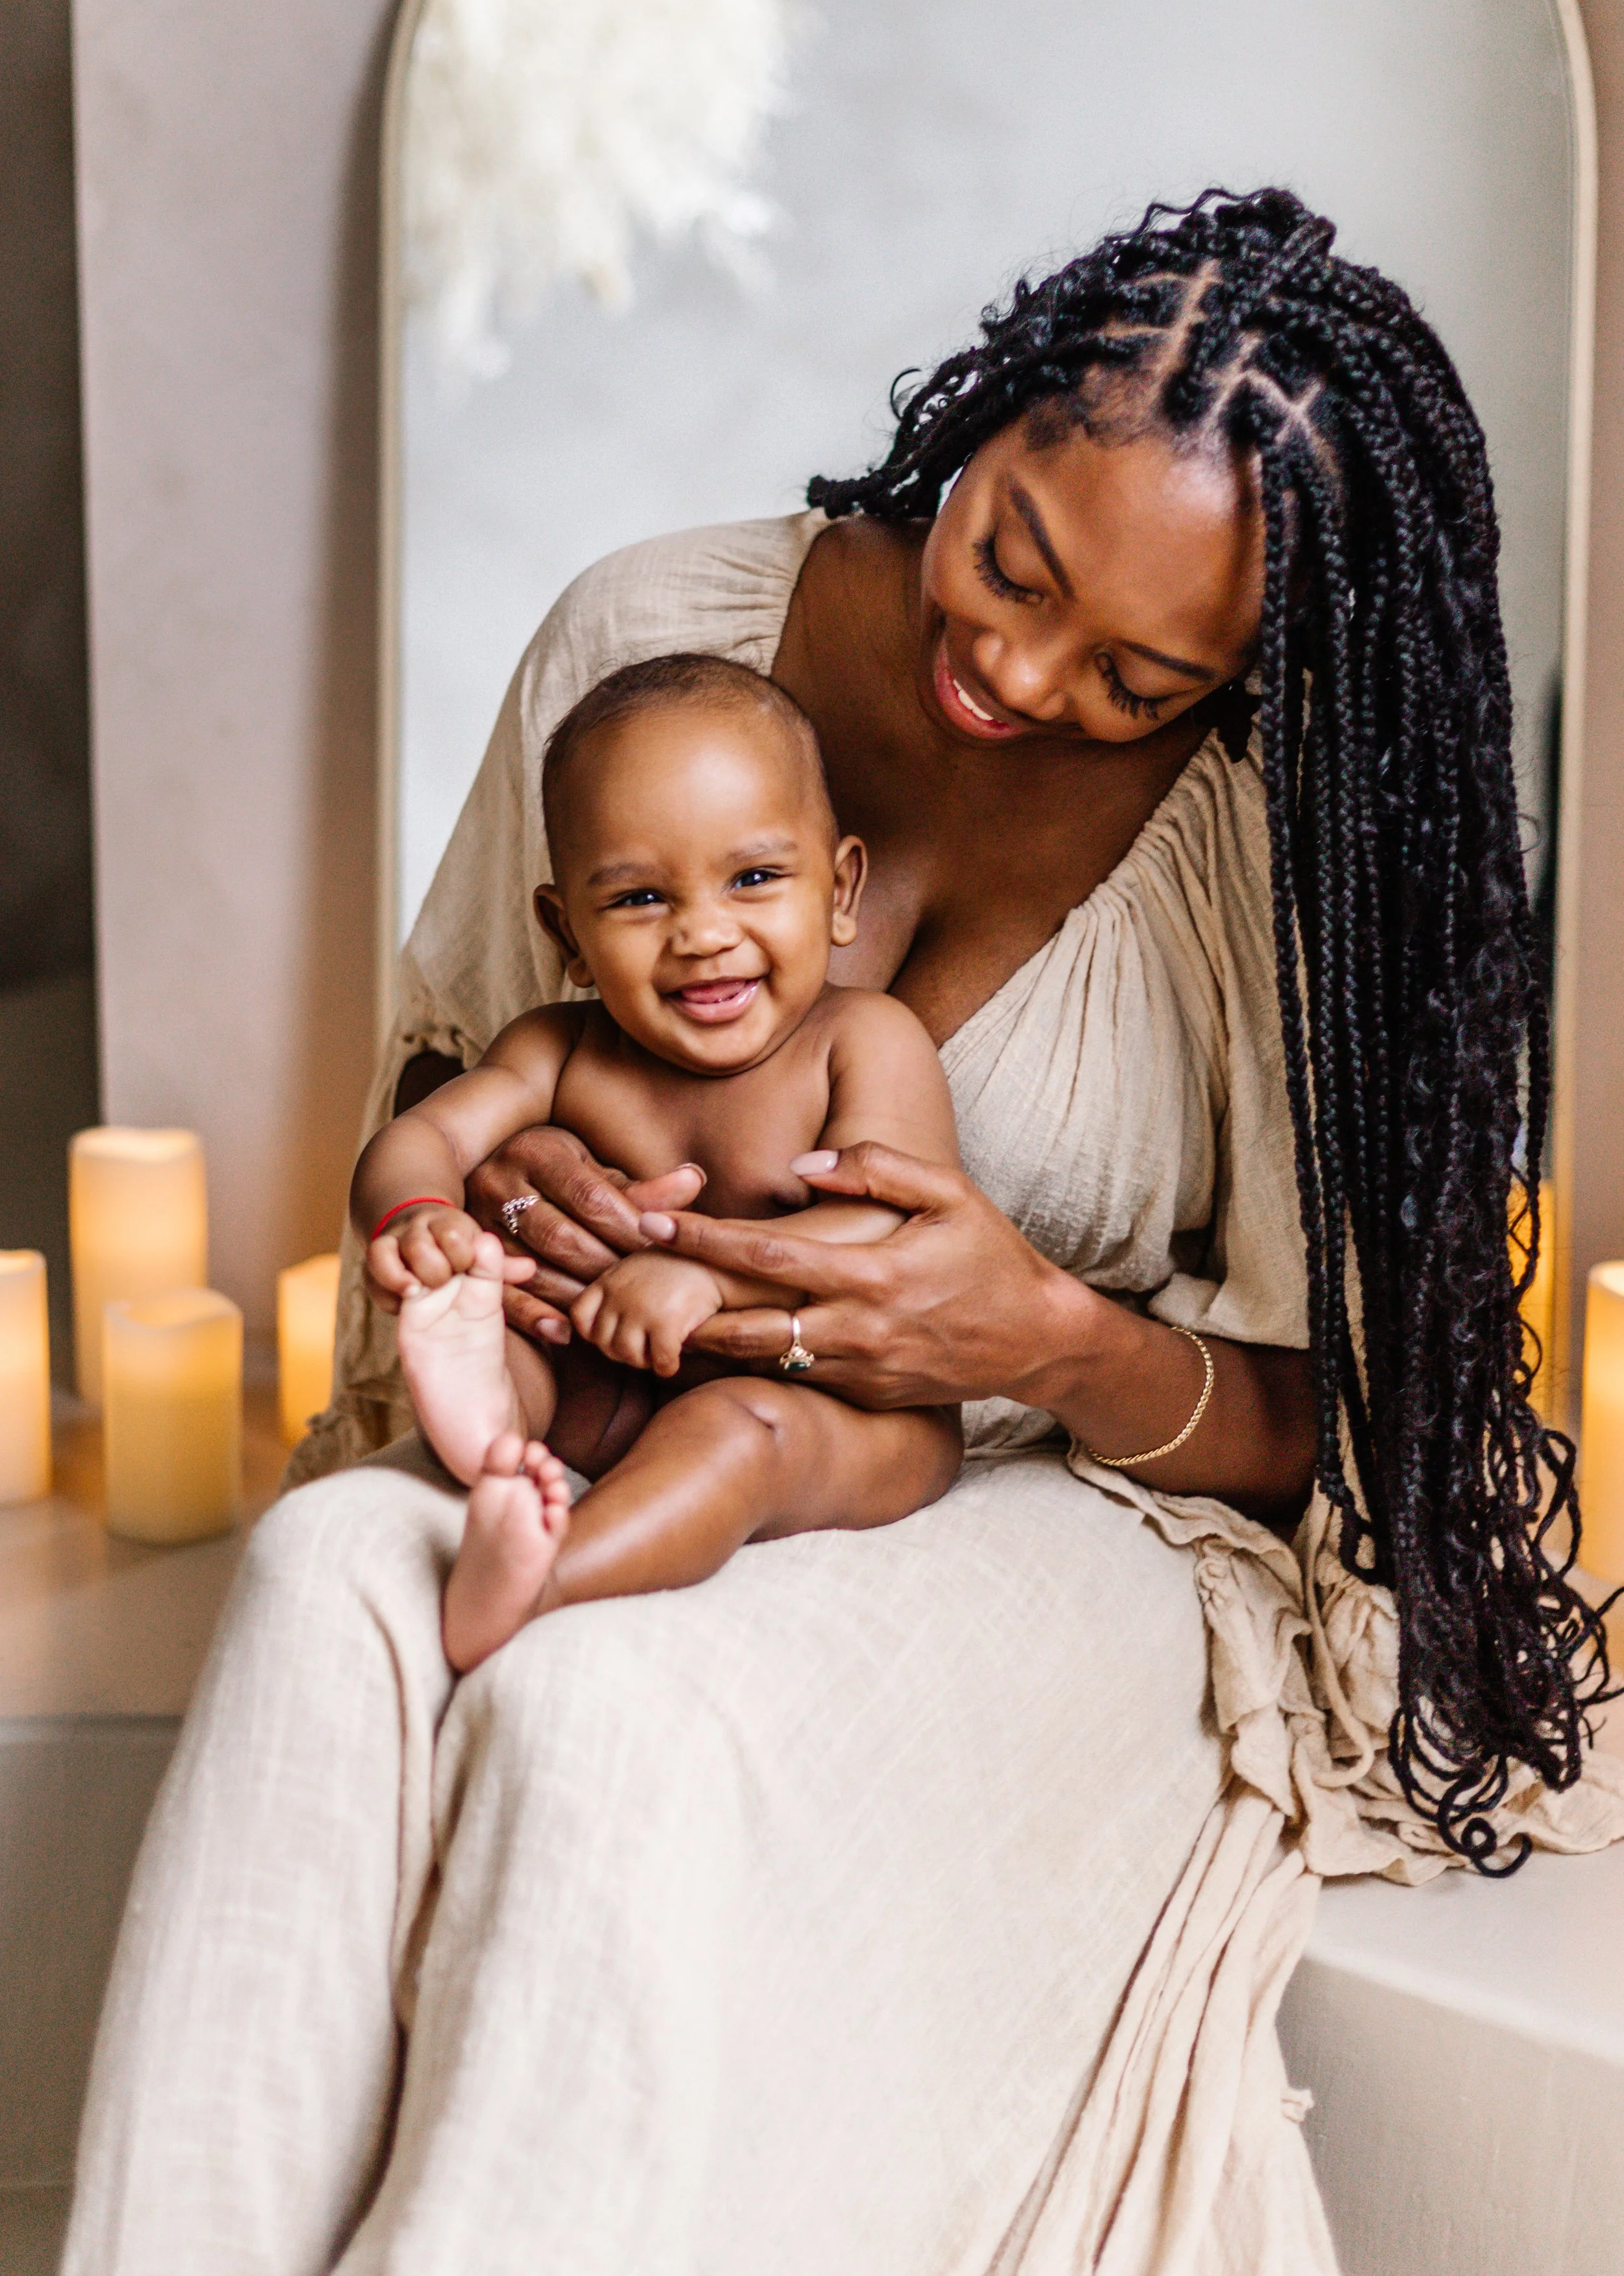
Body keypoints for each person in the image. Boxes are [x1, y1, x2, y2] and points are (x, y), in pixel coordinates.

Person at [65, 190, 1624, 2276]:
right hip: (618, 1388)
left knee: (595, 1716)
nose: (1011, 668)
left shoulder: (1265, 862)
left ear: (1249, 663)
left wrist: (1044, 1334)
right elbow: (458, 1071)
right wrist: (499, 1200)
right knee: (333, 1553)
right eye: (1009, 559)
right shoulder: (648, 630)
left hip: (1057, 1500)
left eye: (1137, 673)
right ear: (985, 411)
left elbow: (1346, 1439)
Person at [353, 655, 961, 1669]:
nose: (704, 934)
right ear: (570, 935)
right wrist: (419, 1218)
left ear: (841, 888)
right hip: (612, 1397)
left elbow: (892, 1232)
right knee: (517, 1327)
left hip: (836, 1411)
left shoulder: (863, 1040)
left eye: (756, 878)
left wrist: (707, 1272)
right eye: (639, 897)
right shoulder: (557, 1048)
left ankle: (544, 1577)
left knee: (736, 1428)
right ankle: (488, 1420)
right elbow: (420, 1140)